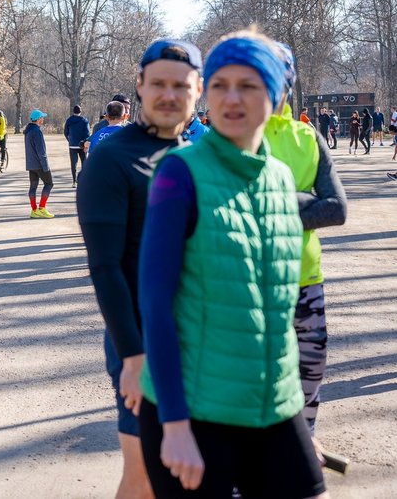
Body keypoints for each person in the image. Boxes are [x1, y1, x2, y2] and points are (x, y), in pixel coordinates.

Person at [137, 30, 327, 498]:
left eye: (249, 85)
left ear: (278, 95)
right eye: (220, 84)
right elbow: (155, 304)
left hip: (274, 406)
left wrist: (299, 425)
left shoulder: (282, 179)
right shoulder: (179, 172)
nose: (232, 98)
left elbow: (278, 310)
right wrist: (175, 425)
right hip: (196, 413)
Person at [77, 37, 203, 499]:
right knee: (144, 475)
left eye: (181, 84)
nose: (169, 94)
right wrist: (132, 356)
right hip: (141, 339)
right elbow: (105, 267)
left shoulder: (199, 154)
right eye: (158, 84)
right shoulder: (112, 157)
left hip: (202, 336)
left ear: (198, 90)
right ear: (140, 87)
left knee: (188, 473)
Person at [268, 43, 347, 456]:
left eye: (275, 77)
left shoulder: (307, 136)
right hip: (255, 285)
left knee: (310, 375)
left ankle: (303, 445)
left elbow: (336, 209)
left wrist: (273, 203)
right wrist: (302, 200)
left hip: (306, 279)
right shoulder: (230, 136)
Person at [24, 109, 54, 218]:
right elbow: (41, 151)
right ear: (38, 119)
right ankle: (42, 208)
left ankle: (34, 210)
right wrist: (45, 165)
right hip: (39, 164)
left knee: (33, 187)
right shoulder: (37, 131)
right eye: (42, 117)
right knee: (49, 184)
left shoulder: (27, 131)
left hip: (31, 164)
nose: (43, 119)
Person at [64, 104, 91, 187]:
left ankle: (74, 181)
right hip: (82, 145)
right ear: (80, 111)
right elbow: (87, 133)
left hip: (72, 145)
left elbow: (65, 132)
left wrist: (70, 140)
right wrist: (85, 143)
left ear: (73, 111)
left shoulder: (69, 120)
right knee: (84, 163)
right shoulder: (84, 120)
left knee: (73, 164)